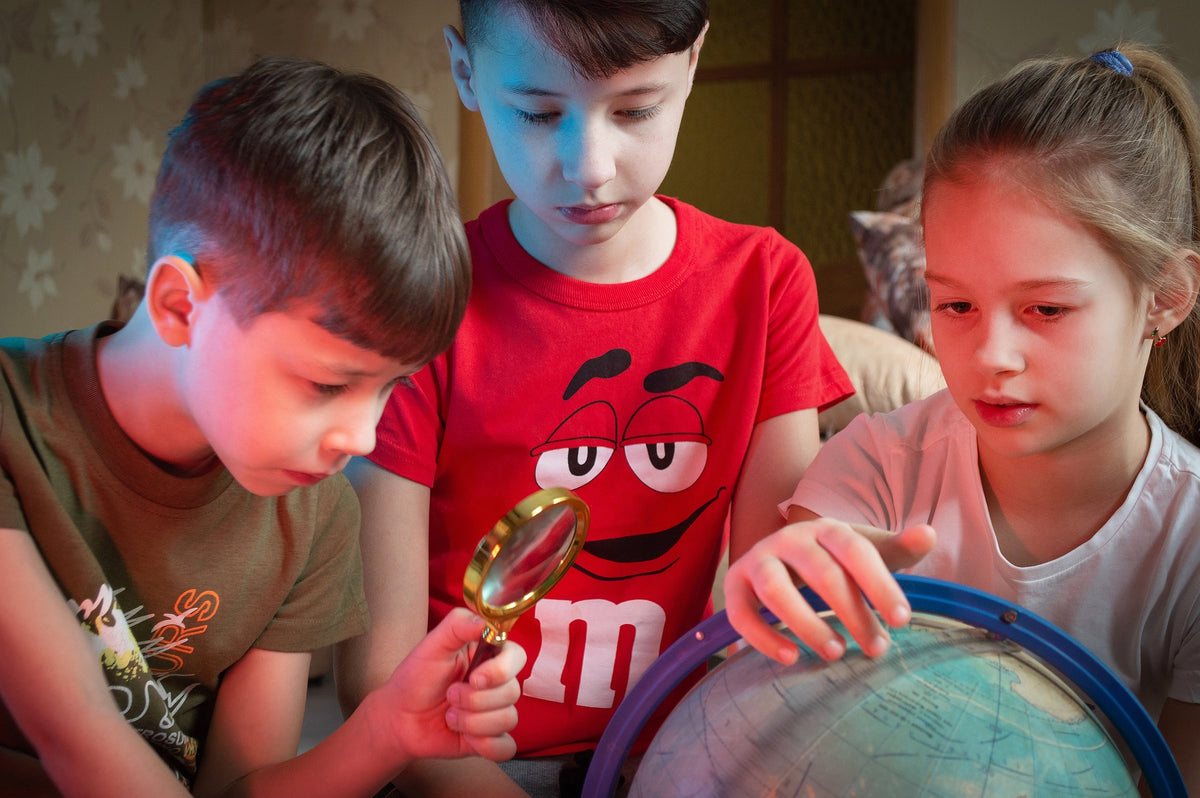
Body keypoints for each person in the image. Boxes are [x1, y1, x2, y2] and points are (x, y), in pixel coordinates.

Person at [335, 1, 853, 795]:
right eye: (539, 113)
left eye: (637, 109)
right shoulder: (425, 299)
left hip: (678, 753)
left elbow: (768, 622)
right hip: (461, 762)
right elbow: (379, 682)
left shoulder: (765, 283)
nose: (590, 167)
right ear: (467, 74)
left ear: (693, 64)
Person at [0, 57, 527, 797]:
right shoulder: (12, 420)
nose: (363, 440)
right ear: (181, 307)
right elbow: (75, 735)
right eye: (328, 383)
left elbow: (238, 788)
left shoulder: (314, 515)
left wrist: (387, 732)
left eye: (389, 389)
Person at [723, 45, 1200, 790]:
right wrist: (783, 583)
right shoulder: (877, 464)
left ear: (1166, 296)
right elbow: (773, 712)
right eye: (956, 306)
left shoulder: (1190, 537)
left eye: (1045, 308)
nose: (992, 355)